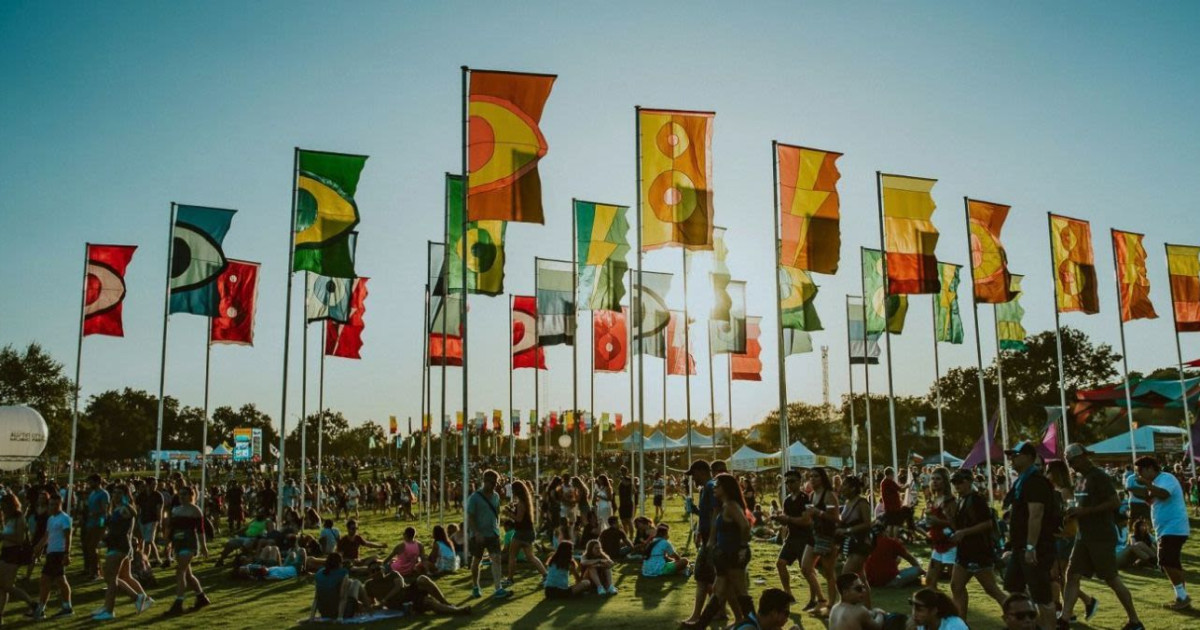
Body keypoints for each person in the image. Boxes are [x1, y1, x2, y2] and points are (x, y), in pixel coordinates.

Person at [1059, 444, 1144, 630]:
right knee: (1072, 575)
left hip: (1101, 535)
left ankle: (1135, 621)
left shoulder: (1099, 476)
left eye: (1073, 461)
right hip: (1083, 535)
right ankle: (1064, 619)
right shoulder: (1080, 477)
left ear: (1083, 457)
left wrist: (1086, 511)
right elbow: (1081, 504)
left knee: (1111, 578)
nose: (1071, 465)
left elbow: (1115, 502)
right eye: (1068, 462)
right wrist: (1073, 512)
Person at [1002, 441, 1058, 629]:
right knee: (1013, 587)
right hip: (1020, 546)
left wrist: (1031, 547)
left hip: (1036, 547)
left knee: (1042, 596)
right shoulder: (1022, 480)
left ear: (1028, 457)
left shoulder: (1035, 482)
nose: (1011, 458)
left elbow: (1036, 514)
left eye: (1015, 455)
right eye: (1010, 455)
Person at [1129, 455, 1192, 610]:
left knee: (1166, 561)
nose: (1139, 475)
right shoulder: (1157, 482)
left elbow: (1164, 494)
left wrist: (1146, 484)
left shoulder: (1166, 478)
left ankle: (1183, 597)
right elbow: (1153, 500)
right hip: (1167, 529)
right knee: (1171, 562)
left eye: (1141, 471)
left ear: (1150, 468)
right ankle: (1182, 597)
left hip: (1173, 528)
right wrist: (1140, 492)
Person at [947, 468, 1006, 619]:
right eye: (954, 482)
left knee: (991, 589)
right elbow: (959, 526)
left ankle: (1018, 613)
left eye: (960, 481)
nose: (957, 485)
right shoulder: (961, 500)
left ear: (969, 482)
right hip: (965, 552)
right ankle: (961, 623)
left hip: (978, 552)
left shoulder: (976, 500)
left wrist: (964, 532)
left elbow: (987, 524)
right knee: (956, 586)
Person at [95, 484, 151, 620]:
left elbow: (128, 520)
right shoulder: (116, 509)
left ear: (126, 495)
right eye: (114, 492)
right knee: (117, 577)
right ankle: (136, 599)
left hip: (119, 546)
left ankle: (111, 609)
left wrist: (106, 539)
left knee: (111, 578)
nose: (116, 495)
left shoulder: (124, 509)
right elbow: (110, 527)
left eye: (120, 493)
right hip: (116, 545)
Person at [681, 460, 720, 627]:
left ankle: (701, 615)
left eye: (694, 474)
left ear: (701, 471)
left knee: (707, 578)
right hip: (706, 539)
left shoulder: (710, 487)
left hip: (712, 541)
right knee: (705, 578)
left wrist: (711, 539)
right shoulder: (705, 489)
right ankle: (703, 614)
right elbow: (705, 514)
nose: (693, 478)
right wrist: (694, 511)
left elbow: (715, 514)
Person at [712, 473, 754, 625]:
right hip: (726, 553)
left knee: (740, 590)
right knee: (723, 589)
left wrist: (742, 547)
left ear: (726, 488)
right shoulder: (724, 505)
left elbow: (745, 526)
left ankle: (753, 623)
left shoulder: (731, 505)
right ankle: (740, 619)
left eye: (717, 485)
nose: (714, 488)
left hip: (735, 553)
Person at [466, 469, 513, 599]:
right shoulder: (475, 497)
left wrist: (499, 526)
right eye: (491, 483)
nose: (493, 485)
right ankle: (475, 586)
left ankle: (498, 588)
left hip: (492, 533)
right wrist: (476, 532)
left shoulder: (496, 496)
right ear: (485, 481)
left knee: (496, 558)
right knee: (477, 561)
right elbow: (470, 516)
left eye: (495, 483)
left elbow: (496, 513)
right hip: (478, 535)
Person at [164, 485, 210, 615]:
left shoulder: (195, 510)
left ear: (191, 495)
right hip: (178, 543)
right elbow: (171, 528)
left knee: (180, 571)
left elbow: (200, 531)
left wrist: (204, 546)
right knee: (188, 575)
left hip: (189, 542)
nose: (182, 496)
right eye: (180, 494)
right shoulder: (176, 510)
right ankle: (201, 597)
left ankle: (178, 602)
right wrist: (167, 543)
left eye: (185, 494)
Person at [362, 561, 471, 616]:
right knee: (428, 602)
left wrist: (384, 600)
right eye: (373, 571)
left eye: (378, 569)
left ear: (382, 569)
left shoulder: (393, 575)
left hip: (407, 592)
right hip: (401, 603)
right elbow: (370, 602)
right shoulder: (369, 585)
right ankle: (458, 611)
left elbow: (399, 586)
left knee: (423, 578)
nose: (376, 572)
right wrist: (374, 606)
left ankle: (445, 603)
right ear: (370, 574)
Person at [775, 470, 816, 605]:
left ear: (799, 482)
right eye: (787, 482)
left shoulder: (806, 498)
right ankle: (788, 595)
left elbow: (807, 521)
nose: (789, 484)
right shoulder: (787, 500)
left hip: (805, 538)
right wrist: (779, 519)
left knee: (807, 570)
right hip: (791, 537)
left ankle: (814, 599)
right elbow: (786, 521)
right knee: (780, 563)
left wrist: (787, 519)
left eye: (792, 481)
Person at [803, 467, 840, 616]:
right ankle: (821, 600)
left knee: (828, 572)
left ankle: (831, 606)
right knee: (805, 567)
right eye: (810, 476)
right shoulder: (812, 495)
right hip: (814, 534)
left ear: (823, 478)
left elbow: (835, 518)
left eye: (816, 476)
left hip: (827, 536)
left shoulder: (829, 495)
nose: (812, 479)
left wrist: (817, 512)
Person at [31, 493, 73, 620]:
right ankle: (45, 608)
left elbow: (68, 537)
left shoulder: (64, 518)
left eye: (55, 504)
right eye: (51, 504)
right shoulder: (51, 519)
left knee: (51, 580)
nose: (53, 507)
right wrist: (38, 547)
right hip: (51, 552)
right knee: (53, 581)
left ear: (60, 504)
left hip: (59, 553)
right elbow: (47, 536)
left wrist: (66, 554)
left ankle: (59, 607)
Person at [836, 476, 874, 603]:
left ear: (852, 488)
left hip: (861, 544)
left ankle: (843, 606)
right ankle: (867, 609)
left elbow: (868, 524)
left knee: (845, 577)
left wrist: (847, 530)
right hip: (851, 544)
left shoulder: (862, 502)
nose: (841, 488)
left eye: (844, 485)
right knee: (862, 579)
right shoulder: (847, 502)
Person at [0, 494, 37, 620]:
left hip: (14, 554)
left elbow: (19, 539)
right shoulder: (9, 518)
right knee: (3, 587)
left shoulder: (20, 518)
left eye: (4, 505)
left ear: (11, 505)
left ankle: (32, 604)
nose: (2, 508)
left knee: (7, 586)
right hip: (5, 552)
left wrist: (3, 536)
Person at [503, 479, 546, 586]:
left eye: (513, 490)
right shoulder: (525, 501)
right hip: (529, 532)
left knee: (512, 556)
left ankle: (510, 579)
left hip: (521, 533)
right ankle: (545, 574)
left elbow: (519, 519)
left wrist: (508, 514)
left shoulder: (521, 503)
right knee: (531, 557)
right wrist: (512, 510)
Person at [921, 468, 957, 592]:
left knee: (956, 584)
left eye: (938, 479)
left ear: (945, 481)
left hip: (950, 544)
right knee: (929, 581)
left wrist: (938, 521)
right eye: (932, 479)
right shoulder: (933, 500)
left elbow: (956, 525)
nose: (935, 482)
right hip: (937, 543)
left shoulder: (950, 501)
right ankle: (937, 603)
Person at [308, 552, 367, 621]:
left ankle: (365, 607)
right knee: (357, 583)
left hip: (325, 613)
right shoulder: (342, 573)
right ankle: (369, 609)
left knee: (351, 583)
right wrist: (339, 617)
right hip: (341, 613)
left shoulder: (319, 574)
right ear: (339, 563)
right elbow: (343, 597)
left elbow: (316, 598)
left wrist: (311, 617)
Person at [82, 474, 110, 581]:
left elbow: (104, 510)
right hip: (90, 523)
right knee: (88, 547)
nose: (89, 484)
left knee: (93, 547)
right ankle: (91, 569)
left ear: (97, 482)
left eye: (91, 482)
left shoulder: (103, 494)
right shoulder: (92, 493)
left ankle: (96, 572)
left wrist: (102, 524)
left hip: (99, 523)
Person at [736, 587, 803, 630]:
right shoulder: (748, 628)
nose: (787, 618)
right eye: (786, 613)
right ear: (773, 613)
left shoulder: (765, 626)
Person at [136, 478, 165, 567]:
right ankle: (156, 559)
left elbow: (159, 510)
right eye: (153, 484)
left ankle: (145, 560)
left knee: (148, 541)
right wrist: (137, 520)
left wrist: (160, 522)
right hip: (142, 520)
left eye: (156, 484)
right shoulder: (141, 495)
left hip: (152, 520)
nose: (155, 486)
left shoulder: (158, 495)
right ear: (148, 485)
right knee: (147, 540)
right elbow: (137, 508)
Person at [618, 467, 635, 534]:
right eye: (621, 471)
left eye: (623, 471)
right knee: (623, 521)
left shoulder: (628, 479)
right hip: (622, 503)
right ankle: (625, 535)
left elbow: (628, 485)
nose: (622, 472)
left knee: (628, 520)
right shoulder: (621, 481)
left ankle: (631, 536)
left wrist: (622, 479)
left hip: (628, 503)